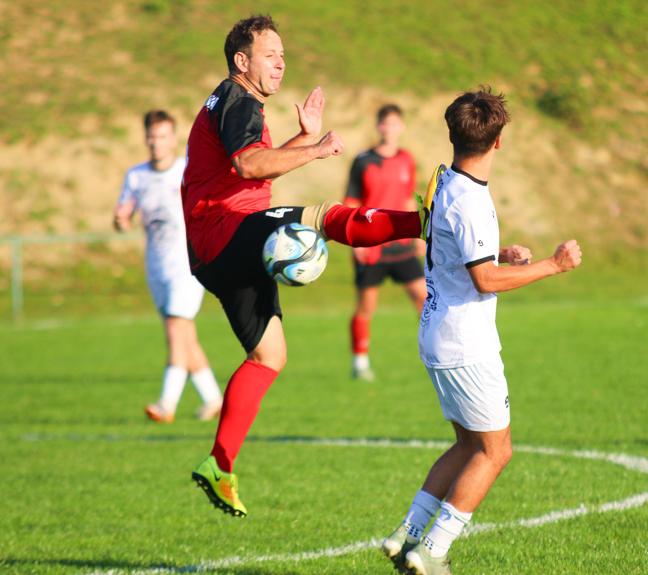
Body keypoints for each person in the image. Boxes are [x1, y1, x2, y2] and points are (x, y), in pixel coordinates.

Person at [183, 14, 428, 518]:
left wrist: (301, 139)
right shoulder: (239, 100)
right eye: (271, 55)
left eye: (283, 55)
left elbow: (250, 163)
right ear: (241, 61)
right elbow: (249, 166)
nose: (281, 63)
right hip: (226, 229)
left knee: (269, 357)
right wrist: (317, 150)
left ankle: (219, 465)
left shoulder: (231, 102)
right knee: (323, 216)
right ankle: (423, 224)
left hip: (215, 248)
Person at [380, 87, 582, 575]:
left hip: (438, 333)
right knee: (497, 451)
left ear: (453, 134)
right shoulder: (469, 198)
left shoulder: (446, 181)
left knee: (469, 445)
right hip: (464, 343)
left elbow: (462, 255)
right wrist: (554, 266)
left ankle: (406, 533)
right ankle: (432, 552)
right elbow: (483, 280)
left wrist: (501, 254)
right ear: (498, 142)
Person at [114, 110, 223, 423]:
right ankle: (214, 398)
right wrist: (120, 218)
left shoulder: (187, 171)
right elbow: (122, 219)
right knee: (181, 336)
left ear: (174, 139)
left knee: (177, 331)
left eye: (162, 136)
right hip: (156, 267)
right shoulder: (136, 176)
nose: (155, 143)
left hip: (187, 265)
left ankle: (166, 404)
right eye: (151, 136)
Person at [345, 104, 427, 381]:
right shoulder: (363, 160)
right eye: (384, 123)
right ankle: (360, 363)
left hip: (401, 243)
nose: (389, 128)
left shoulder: (407, 159)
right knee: (367, 307)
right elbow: (351, 202)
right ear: (378, 127)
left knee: (424, 299)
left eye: (394, 124)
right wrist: (356, 241)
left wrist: (418, 235)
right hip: (372, 245)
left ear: (401, 127)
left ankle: (433, 354)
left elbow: (407, 199)